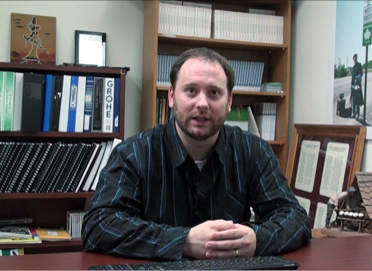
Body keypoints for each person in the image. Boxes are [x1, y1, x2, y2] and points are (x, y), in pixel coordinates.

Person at [82, 47, 311, 260]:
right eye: (191, 91)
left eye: (214, 93)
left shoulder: (254, 151)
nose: (202, 103)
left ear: (229, 101)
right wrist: (183, 241)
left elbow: (295, 217)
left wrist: (257, 239)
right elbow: (98, 225)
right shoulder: (133, 154)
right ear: (171, 96)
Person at [350, 53, 363, 120]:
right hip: (353, 86)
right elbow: (352, 78)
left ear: (357, 58)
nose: (354, 59)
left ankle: (358, 114)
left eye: (355, 58)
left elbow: (361, 74)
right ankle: (354, 114)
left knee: (357, 101)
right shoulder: (353, 67)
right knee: (353, 100)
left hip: (357, 85)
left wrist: (357, 78)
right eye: (354, 58)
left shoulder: (359, 65)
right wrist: (351, 85)